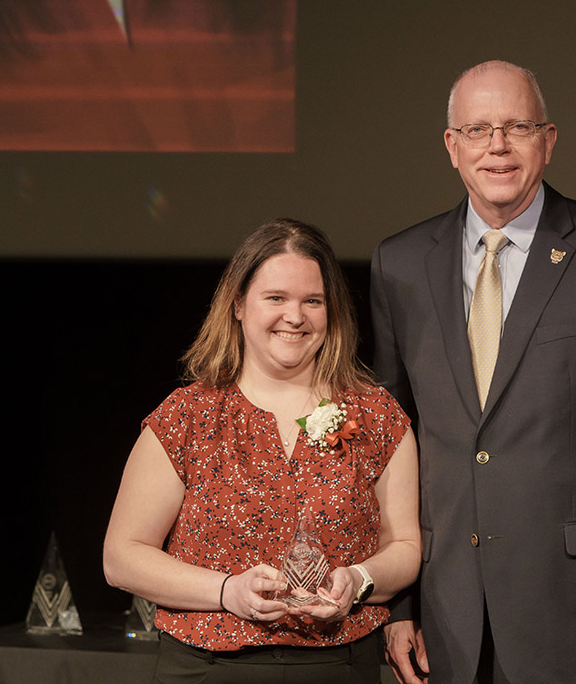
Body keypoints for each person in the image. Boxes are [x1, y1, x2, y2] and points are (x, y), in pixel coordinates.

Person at [371, 61, 576, 684]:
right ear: (452, 147)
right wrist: (397, 603)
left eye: (517, 126)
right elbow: (393, 449)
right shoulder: (401, 263)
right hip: (446, 618)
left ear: (548, 141)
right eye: (478, 129)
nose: (497, 145)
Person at [105, 218, 421, 683]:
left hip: (338, 667)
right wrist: (228, 591)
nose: (295, 317)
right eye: (276, 298)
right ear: (237, 305)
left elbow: (407, 547)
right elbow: (122, 557)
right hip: (207, 669)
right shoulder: (189, 416)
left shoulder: (375, 414)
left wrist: (357, 581)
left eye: (312, 301)